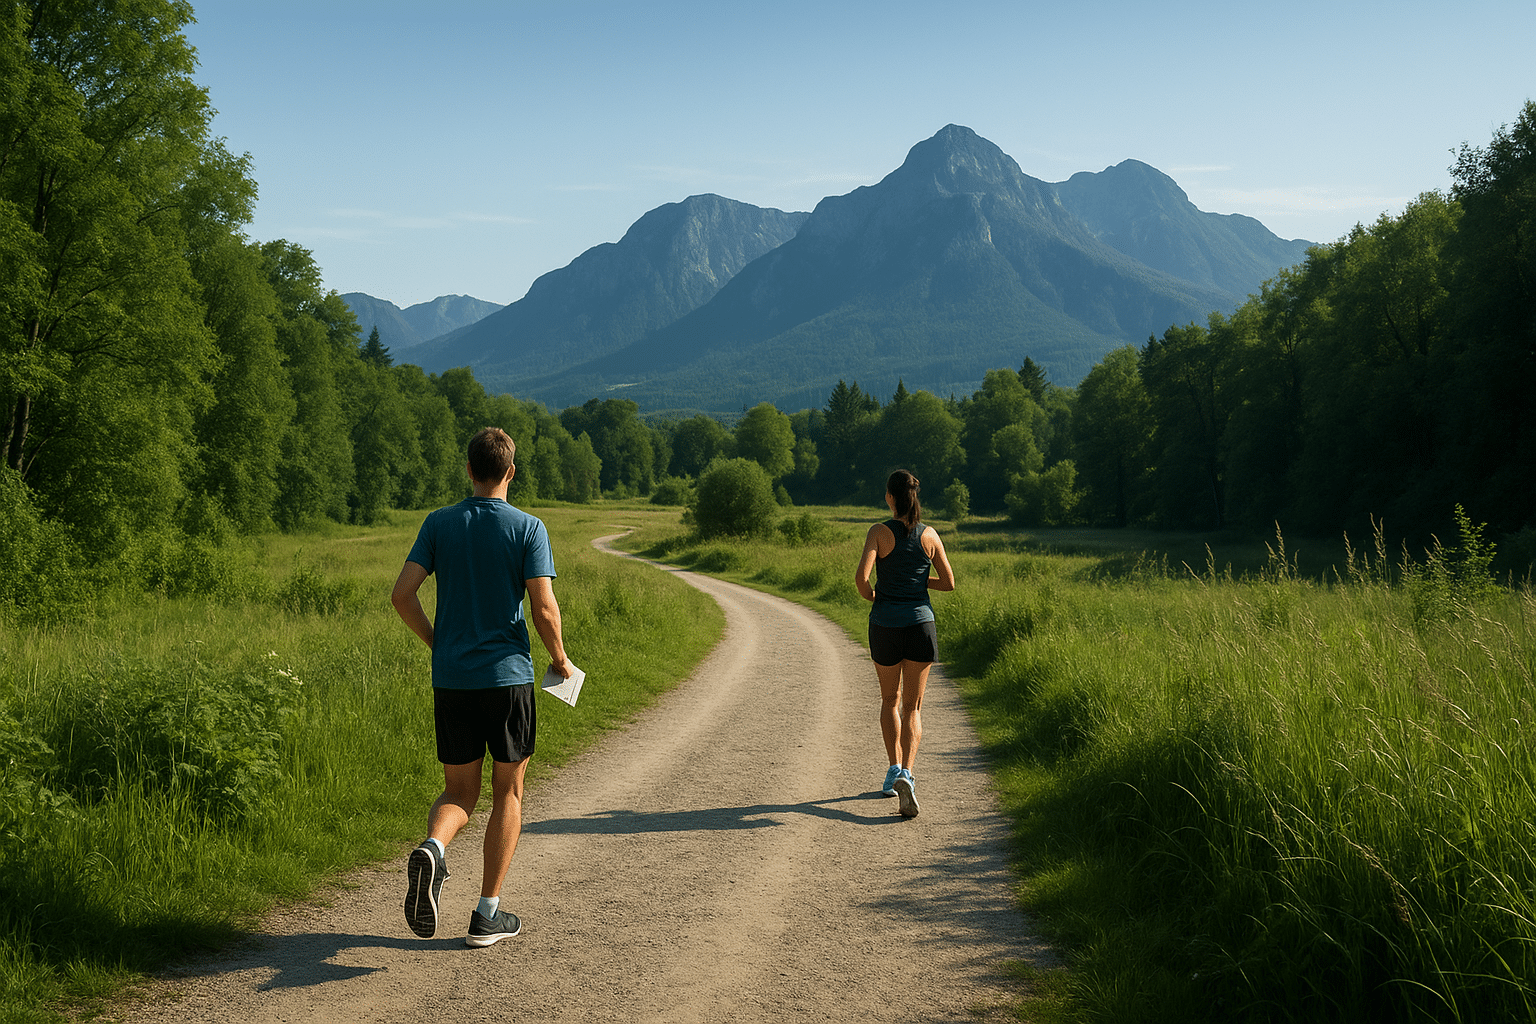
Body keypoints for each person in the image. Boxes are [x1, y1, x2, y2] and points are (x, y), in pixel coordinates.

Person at [390, 426, 573, 947]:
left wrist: (438, 643)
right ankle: (486, 914)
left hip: (453, 682)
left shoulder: (438, 523)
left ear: (468, 470)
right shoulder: (529, 528)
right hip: (509, 680)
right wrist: (559, 658)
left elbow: (403, 595)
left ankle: (433, 849)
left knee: (458, 792)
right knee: (508, 790)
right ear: (510, 472)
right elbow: (542, 606)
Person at [854, 469, 955, 818]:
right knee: (913, 706)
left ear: (890, 498)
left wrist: (877, 595)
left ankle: (894, 770)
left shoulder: (879, 532)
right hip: (920, 626)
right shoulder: (930, 536)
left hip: (885, 624)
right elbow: (949, 582)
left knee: (889, 700)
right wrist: (917, 582)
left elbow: (862, 579)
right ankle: (909, 775)